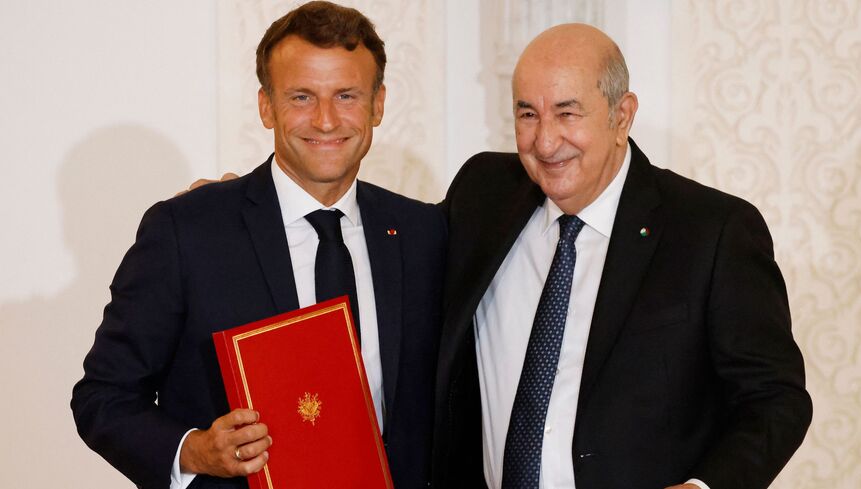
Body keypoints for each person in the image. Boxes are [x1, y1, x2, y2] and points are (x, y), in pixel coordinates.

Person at [71, 2, 445, 488]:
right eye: (302, 97)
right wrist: (195, 450)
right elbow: (103, 397)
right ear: (266, 106)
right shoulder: (186, 231)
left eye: (347, 95)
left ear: (378, 104)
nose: (327, 121)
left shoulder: (425, 233)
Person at [431, 24, 812, 489]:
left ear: (622, 116)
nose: (545, 142)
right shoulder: (481, 193)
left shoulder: (711, 231)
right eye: (528, 114)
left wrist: (703, 487)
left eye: (568, 114)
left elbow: (776, 398)